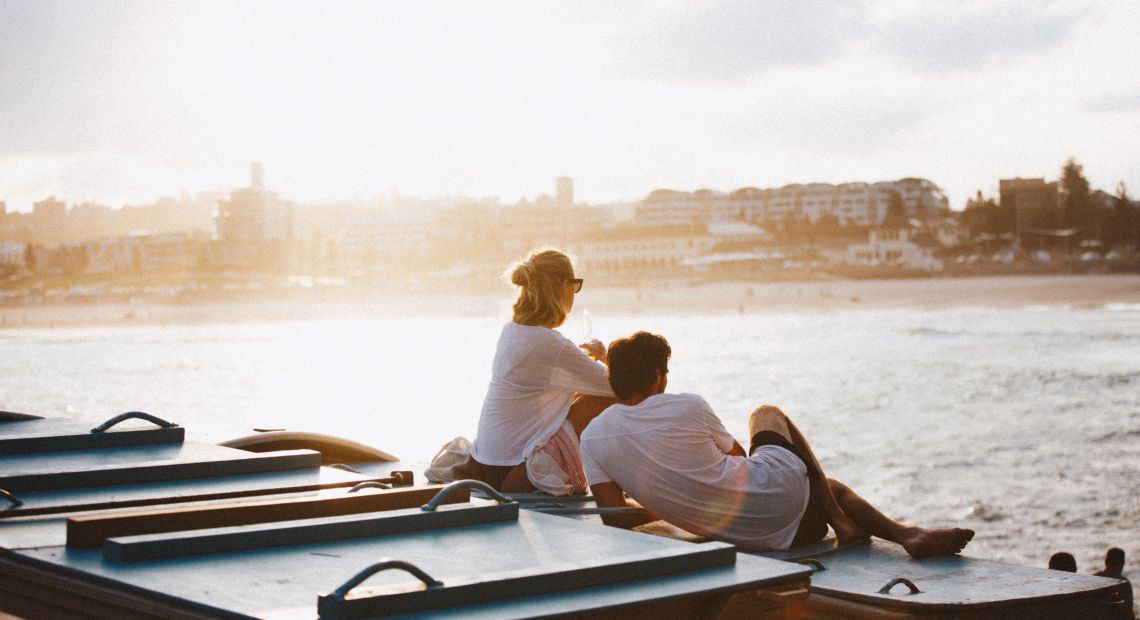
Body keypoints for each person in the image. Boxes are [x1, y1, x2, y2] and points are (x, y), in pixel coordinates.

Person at [579, 331, 975, 557]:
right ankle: (878, 529)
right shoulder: (688, 406)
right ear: (656, 376)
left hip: (744, 536)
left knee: (826, 487)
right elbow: (736, 456)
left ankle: (903, 533)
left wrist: (667, 501)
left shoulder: (593, 438)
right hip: (781, 514)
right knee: (767, 414)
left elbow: (613, 515)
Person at [455, 249, 615, 494]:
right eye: (575, 285)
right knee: (598, 401)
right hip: (518, 471)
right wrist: (604, 356)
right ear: (562, 286)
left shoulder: (512, 331)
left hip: (486, 466)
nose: (574, 293)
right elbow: (619, 387)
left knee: (578, 397)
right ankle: (617, 486)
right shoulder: (551, 344)